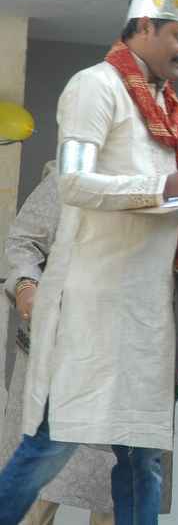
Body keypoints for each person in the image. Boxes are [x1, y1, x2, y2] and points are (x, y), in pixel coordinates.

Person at [0, 0, 178, 525]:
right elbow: (74, 183)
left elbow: (158, 211)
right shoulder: (95, 87)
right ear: (143, 27)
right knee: (50, 450)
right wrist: (168, 186)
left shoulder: (165, 111)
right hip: (90, 310)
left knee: (142, 462)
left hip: (145, 317)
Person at [1, 162, 115, 525]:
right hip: (58, 356)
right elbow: (25, 241)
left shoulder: (171, 178)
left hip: (125, 365)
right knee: (37, 495)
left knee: (117, 496)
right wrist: (26, 286)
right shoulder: (74, 173)